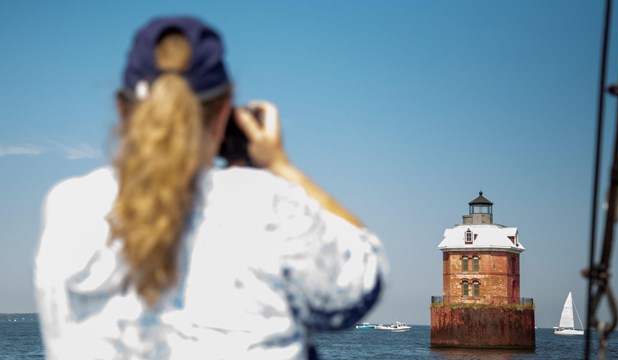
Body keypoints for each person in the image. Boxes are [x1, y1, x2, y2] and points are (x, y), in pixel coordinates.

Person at [33, 16, 387, 359]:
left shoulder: (66, 207)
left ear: (122, 110)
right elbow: (364, 279)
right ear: (224, 113)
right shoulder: (266, 205)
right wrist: (279, 165)